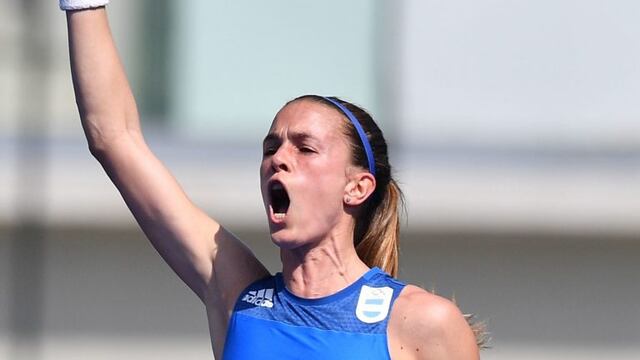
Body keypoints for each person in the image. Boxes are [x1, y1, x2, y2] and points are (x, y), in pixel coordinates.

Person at [62, 1, 482, 359]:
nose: (278, 159)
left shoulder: (423, 323)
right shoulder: (237, 295)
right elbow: (115, 139)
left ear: (357, 187)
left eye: (305, 147)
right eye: (270, 147)